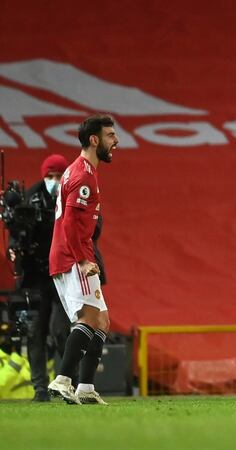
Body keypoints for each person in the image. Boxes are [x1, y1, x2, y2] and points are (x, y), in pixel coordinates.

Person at [46, 114, 118, 405]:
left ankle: (85, 388)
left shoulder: (81, 169)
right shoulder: (83, 175)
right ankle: (63, 380)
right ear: (94, 139)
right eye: (110, 135)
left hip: (74, 254)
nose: (116, 141)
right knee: (88, 318)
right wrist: (82, 260)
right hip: (73, 257)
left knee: (102, 320)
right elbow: (70, 223)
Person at [6, 154, 71, 402]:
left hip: (63, 274)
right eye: (50, 176)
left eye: (58, 175)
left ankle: (70, 383)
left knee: (60, 331)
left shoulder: (73, 196)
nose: (54, 180)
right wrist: (14, 247)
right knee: (35, 333)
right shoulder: (30, 198)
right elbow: (17, 232)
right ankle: (40, 389)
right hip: (35, 276)